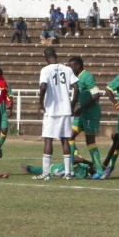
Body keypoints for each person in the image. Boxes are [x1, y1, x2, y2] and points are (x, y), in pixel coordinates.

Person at [34, 47, 79, 180]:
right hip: (65, 110)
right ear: (56, 55)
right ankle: (68, 173)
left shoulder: (45, 70)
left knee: (48, 140)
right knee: (65, 140)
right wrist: (73, 103)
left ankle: (46, 173)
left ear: (45, 57)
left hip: (51, 111)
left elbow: (43, 86)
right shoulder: (67, 69)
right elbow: (76, 87)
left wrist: (40, 103)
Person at [68, 56, 105, 179]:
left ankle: (99, 171)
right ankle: (70, 167)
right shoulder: (74, 78)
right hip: (81, 114)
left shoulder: (87, 76)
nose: (70, 68)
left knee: (90, 142)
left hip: (90, 114)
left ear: (78, 65)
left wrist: (81, 108)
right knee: (70, 136)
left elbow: (96, 95)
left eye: (72, 66)